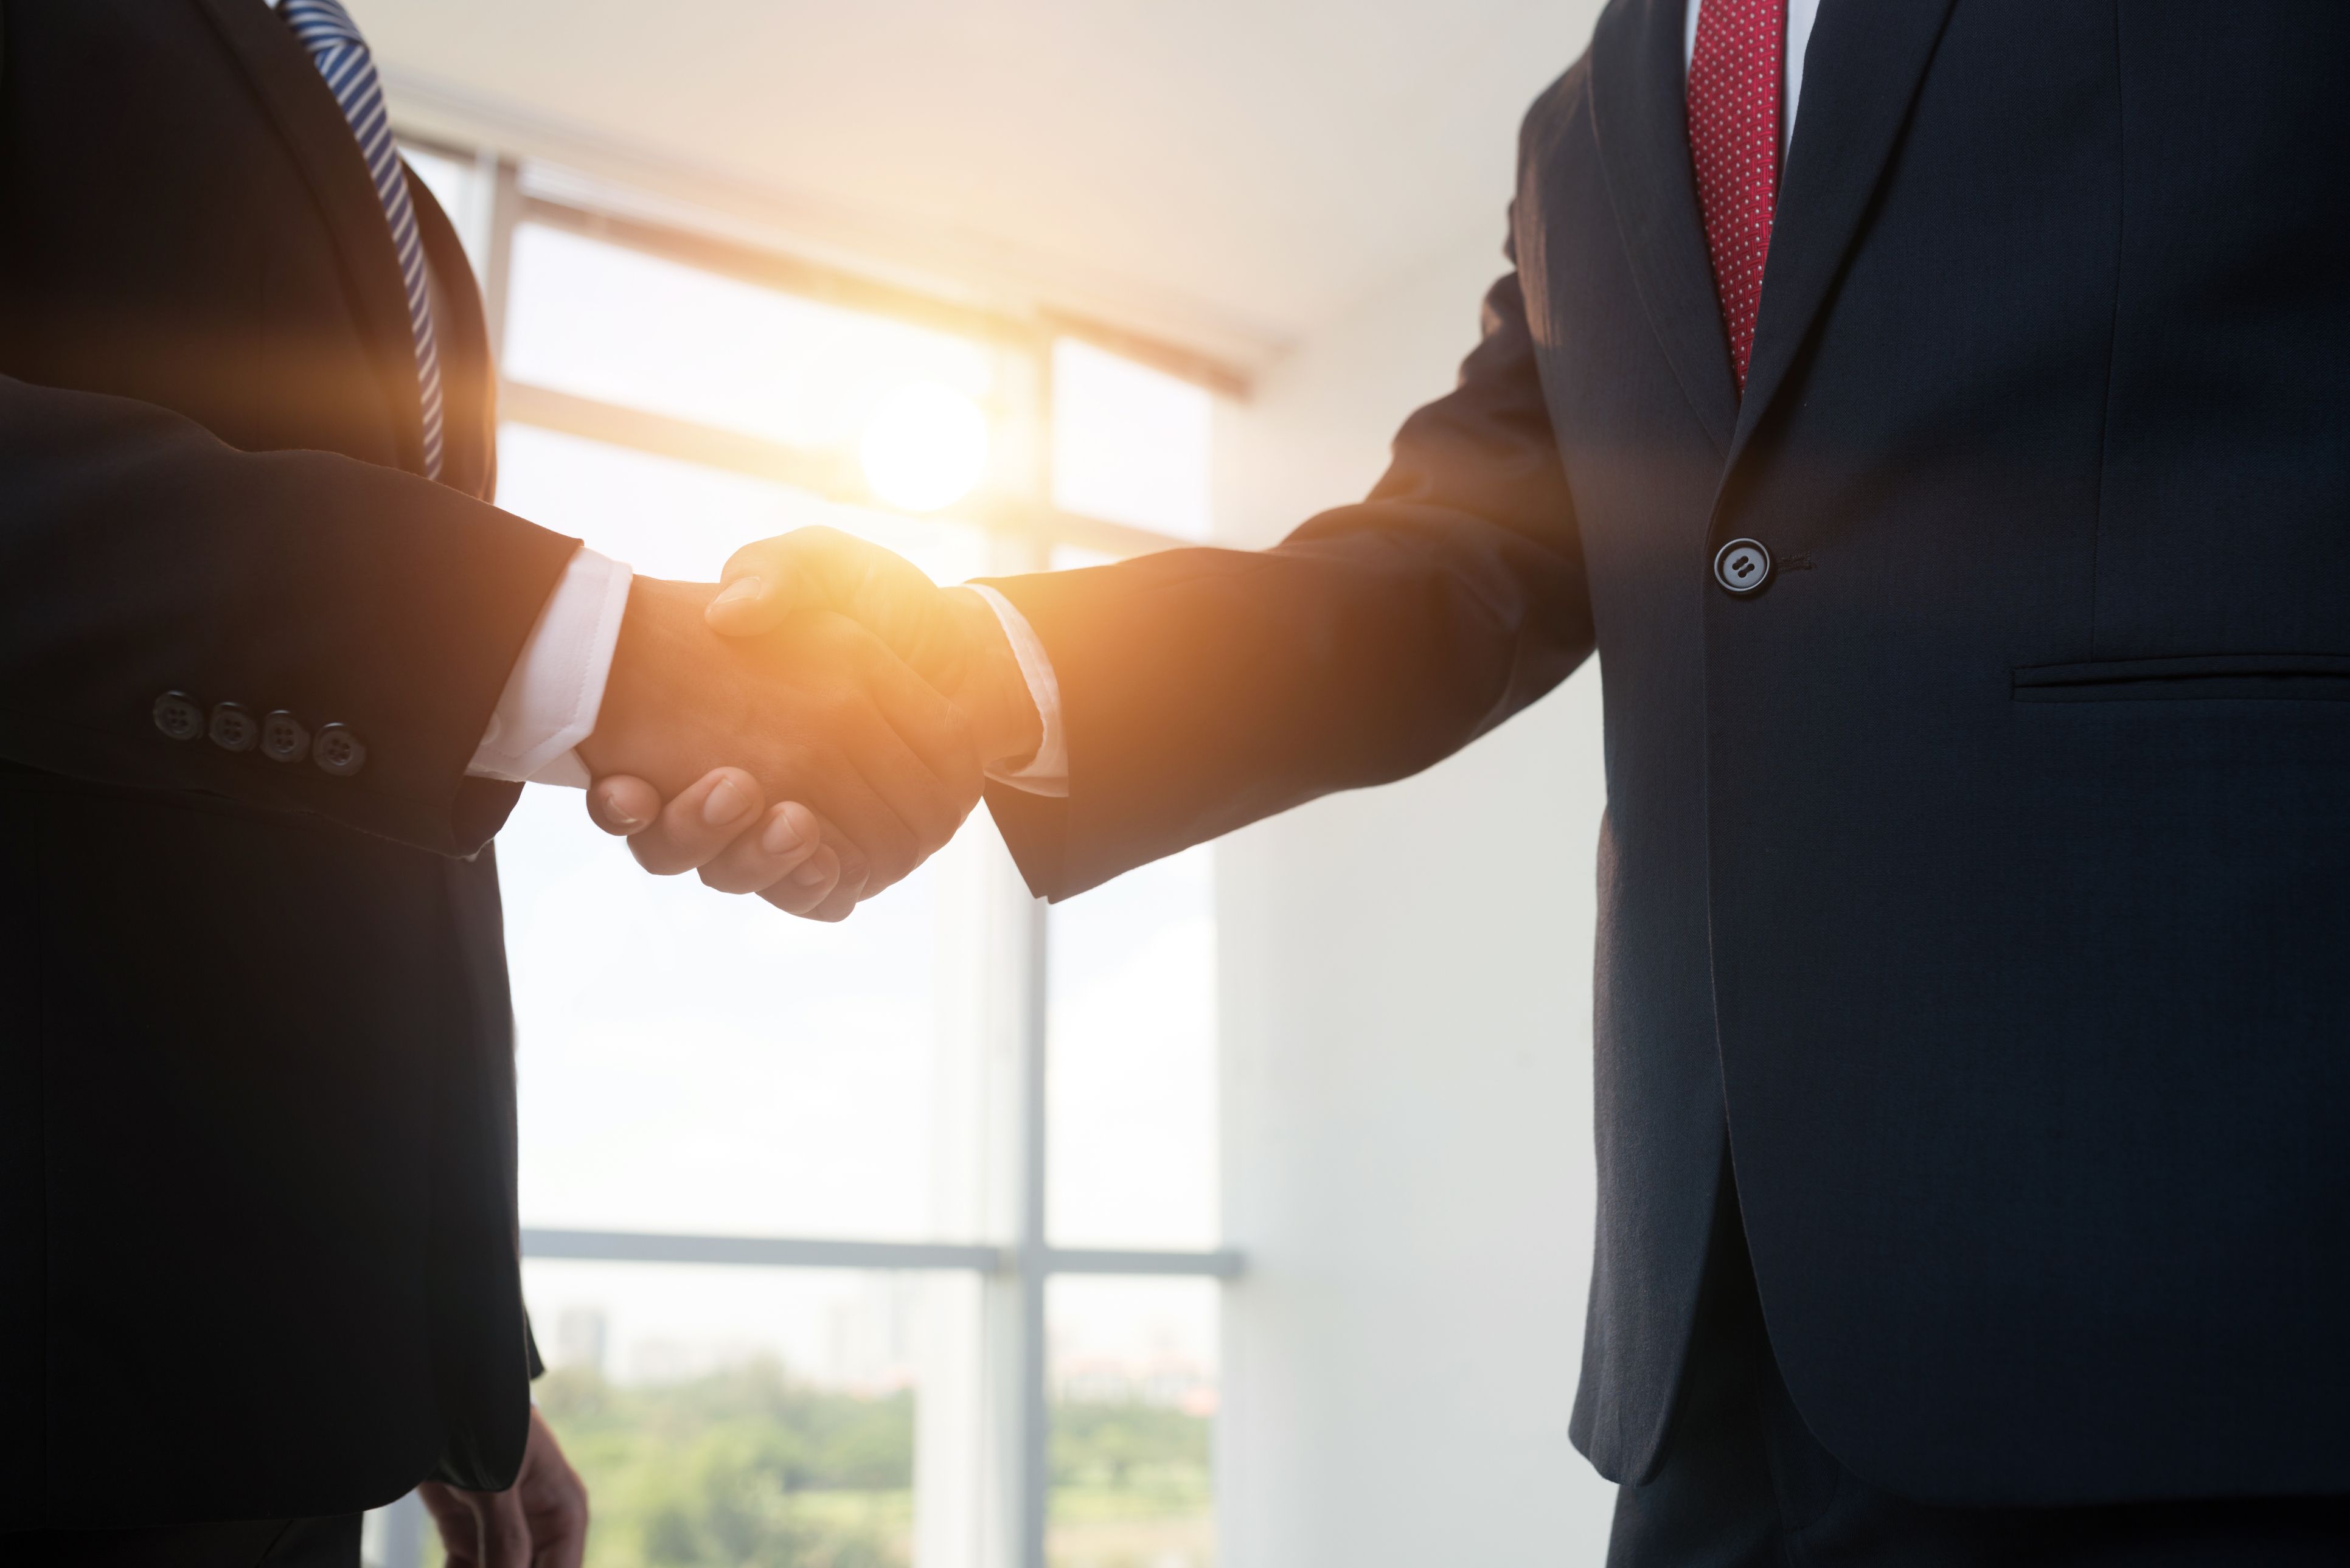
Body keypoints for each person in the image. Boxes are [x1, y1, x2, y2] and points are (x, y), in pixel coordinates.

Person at [611, 0, 2350, 1559]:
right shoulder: (1583, 125)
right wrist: (977, 678)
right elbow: (1447, 572)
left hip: (2228, 1290)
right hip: (1721, 1360)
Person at [0, 2, 975, 1563]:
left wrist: (461, 1346)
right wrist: (601, 656)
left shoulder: (395, 193)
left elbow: (390, 795)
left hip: (259, 1380)